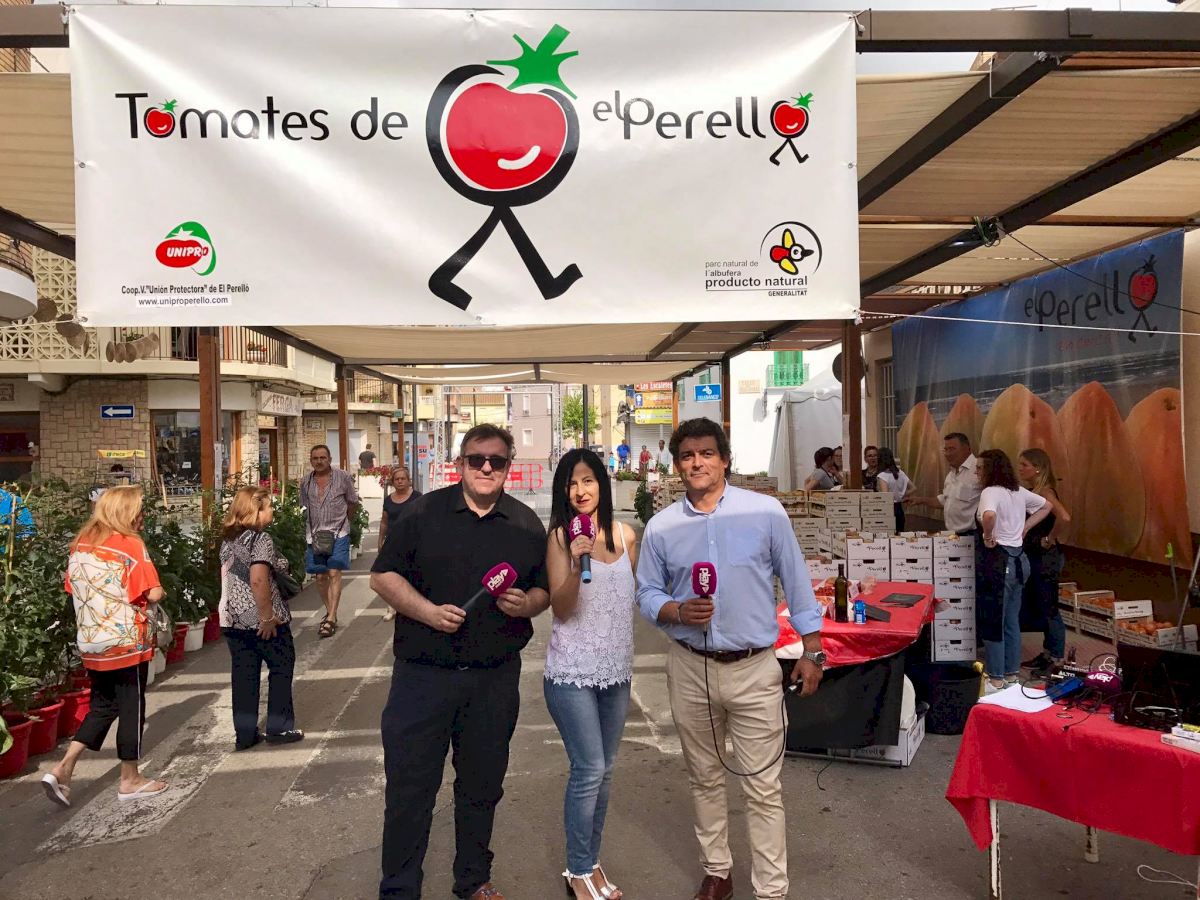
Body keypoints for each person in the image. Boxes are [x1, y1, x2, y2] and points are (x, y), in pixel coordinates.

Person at [637, 419, 824, 900]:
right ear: (677, 465)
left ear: (724, 460)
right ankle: (717, 872)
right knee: (704, 777)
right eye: (687, 455)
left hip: (754, 668)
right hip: (689, 666)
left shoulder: (765, 512)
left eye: (706, 453)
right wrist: (676, 610)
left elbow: (796, 582)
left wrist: (813, 651)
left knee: (763, 786)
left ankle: (771, 890)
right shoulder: (662, 526)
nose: (697, 463)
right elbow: (647, 593)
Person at [370, 424, 550, 900]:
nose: (486, 468)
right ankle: (399, 888)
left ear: (509, 466)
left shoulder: (525, 525)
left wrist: (527, 604)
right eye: (476, 459)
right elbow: (382, 576)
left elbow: (543, 590)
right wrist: (427, 612)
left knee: (482, 786)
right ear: (460, 464)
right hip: (422, 677)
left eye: (497, 461)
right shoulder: (423, 513)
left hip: (493, 680)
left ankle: (472, 880)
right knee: (410, 789)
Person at [544, 449, 639, 900]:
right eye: (571, 483)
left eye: (588, 480)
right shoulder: (560, 539)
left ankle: (592, 862)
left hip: (616, 672)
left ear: (602, 483)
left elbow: (633, 597)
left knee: (606, 772)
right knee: (589, 768)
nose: (580, 491)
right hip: (571, 673)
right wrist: (575, 561)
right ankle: (578, 869)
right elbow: (562, 609)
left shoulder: (626, 536)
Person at [41, 486, 167, 808]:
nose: (143, 516)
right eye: (139, 510)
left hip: (92, 641)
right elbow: (152, 592)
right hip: (126, 642)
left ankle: (63, 767)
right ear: (126, 513)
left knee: (103, 706)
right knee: (132, 707)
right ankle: (130, 778)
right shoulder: (130, 544)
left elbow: (72, 587)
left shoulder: (81, 544)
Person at [219, 486, 304, 751]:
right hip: (263, 619)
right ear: (256, 510)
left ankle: (245, 735)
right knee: (281, 667)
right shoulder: (260, 540)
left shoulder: (228, 539)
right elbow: (258, 579)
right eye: (269, 506)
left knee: (244, 676)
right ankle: (279, 727)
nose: (273, 510)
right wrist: (267, 617)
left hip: (232, 619)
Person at [975, 450, 1051, 692]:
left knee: (994, 619)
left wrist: (988, 535)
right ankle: (1011, 675)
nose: (976, 473)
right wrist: (1025, 528)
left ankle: (996, 677)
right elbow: (1046, 506)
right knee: (1011, 621)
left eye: (980, 468)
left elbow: (989, 515)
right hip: (1020, 560)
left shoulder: (990, 492)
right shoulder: (1018, 491)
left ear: (990, 470)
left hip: (999, 561)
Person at [1017, 449, 1073, 674]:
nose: (1020, 469)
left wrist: (1049, 539)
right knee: (1041, 605)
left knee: (1049, 608)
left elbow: (1065, 517)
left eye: (1025, 465)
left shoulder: (1046, 492)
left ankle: (1057, 658)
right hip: (1034, 556)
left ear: (1038, 468)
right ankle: (1048, 653)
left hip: (1045, 558)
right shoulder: (1034, 492)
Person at [301, 444, 360, 638]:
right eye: (315, 458)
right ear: (311, 461)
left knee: (334, 572)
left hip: (338, 533)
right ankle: (330, 612)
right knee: (320, 577)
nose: (319, 461)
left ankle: (332, 617)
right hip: (315, 535)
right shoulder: (305, 481)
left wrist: (346, 521)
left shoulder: (343, 477)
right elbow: (305, 506)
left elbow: (352, 502)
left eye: (323, 458)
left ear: (330, 459)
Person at [908, 433, 981, 535]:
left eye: (952, 449)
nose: (948, 454)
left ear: (966, 448)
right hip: (953, 535)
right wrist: (920, 500)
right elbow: (946, 501)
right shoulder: (950, 475)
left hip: (974, 535)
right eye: (945, 450)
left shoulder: (979, 469)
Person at [379, 466, 422, 622]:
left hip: (413, 542)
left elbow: (424, 519)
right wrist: (380, 540)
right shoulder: (388, 500)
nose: (400, 481)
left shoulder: (417, 497)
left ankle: (411, 607)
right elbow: (384, 522)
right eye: (397, 479)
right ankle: (391, 608)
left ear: (408, 481)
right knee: (391, 577)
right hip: (393, 543)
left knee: (410, 575)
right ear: (393, 481)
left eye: (403, 478)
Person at [873, 448, 913, 532]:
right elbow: (913, 488)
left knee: (888, 536)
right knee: (900, 534)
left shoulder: (882, 476)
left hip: (888, 510)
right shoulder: (900, 472)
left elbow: (886, 496)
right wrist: (901, 495)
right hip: (899, 509)